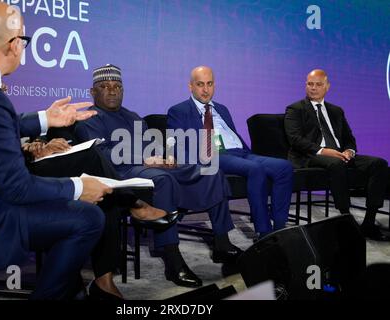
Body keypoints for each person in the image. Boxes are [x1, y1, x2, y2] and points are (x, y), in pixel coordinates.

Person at [0, 2, 159, 300]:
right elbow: (17, 188)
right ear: (14, 44)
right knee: (87, 218)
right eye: (25, 41)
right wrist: (79, 187)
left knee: (85, 166)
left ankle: (76, 286)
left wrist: (44, 118)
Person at [75, 64, 243, 288]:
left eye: (117, 86)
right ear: (93, 92)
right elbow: (102, 155)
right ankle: (172, 258)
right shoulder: (88, 118)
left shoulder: (133, 116)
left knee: (210, 170)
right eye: (105, 86)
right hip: (121, 173)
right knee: (163, 180)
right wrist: (145, 159)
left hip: (149, 166)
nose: (112, 90)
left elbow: (152, 146)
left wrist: (164, 157)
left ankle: (222, 242)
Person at [22, 138, 177, 299]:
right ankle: (134, 203)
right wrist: (25, 151)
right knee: (92, 160)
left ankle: (103, 282)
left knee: (100, 186)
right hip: (13, 179)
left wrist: (35, 146)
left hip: (26, 162)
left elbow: (14, 136)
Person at [167, 66, 294, 238]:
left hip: (241, 153)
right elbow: (177, 143)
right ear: (191, 86)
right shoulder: (179, 111)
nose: (206, 90)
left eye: (209, 84)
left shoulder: (222, 108)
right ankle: (264, 232)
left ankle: (280, 228)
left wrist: (245, 152)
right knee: (255, 169)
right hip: (215, 155)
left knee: (284, 167)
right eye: (200, 84)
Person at [284, 69, 389, 241]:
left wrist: (349, 151)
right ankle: (346, 218)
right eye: (310, 84)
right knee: (336, 164)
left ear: (327, 87)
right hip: (310, 155)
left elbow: (349, 138)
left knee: (379, 163)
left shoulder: (336, 110)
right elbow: (295, 140)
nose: (313, 88)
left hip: (339, 154)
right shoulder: (295, 109)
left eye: (318, 84)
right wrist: (324, 151)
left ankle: (369, 222)